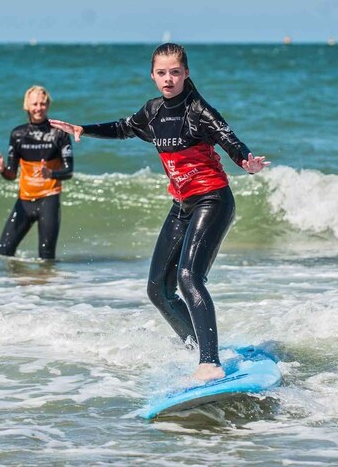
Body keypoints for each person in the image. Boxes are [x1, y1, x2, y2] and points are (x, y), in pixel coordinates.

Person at [50, 43, 268, 381]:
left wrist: (246, 161)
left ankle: (209, 363)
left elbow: (229, 139)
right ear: (152, 76)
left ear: (186, 74)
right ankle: (200, 349)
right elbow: (124, 127)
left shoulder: (199, 111)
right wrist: (85, 129)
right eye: (162, 73)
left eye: (175, 72)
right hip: (182, 205)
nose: (169, 79)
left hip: (213, 200)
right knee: (158, 290)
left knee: (188, 277)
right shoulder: (152, 112)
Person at [0, 85, 73, 260]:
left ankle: (45, 287)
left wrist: (52, 174)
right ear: (27, 106)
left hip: (49, 198)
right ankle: (18, 286)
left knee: (46, 258)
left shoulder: (59, 134)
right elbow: (11, 174)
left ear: (48, 105)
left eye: (42, 103)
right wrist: (2, 170)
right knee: (3, 253)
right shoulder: (18, 134)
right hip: (25, 200)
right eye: (35, 104)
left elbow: (68, 171)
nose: (39, 108)